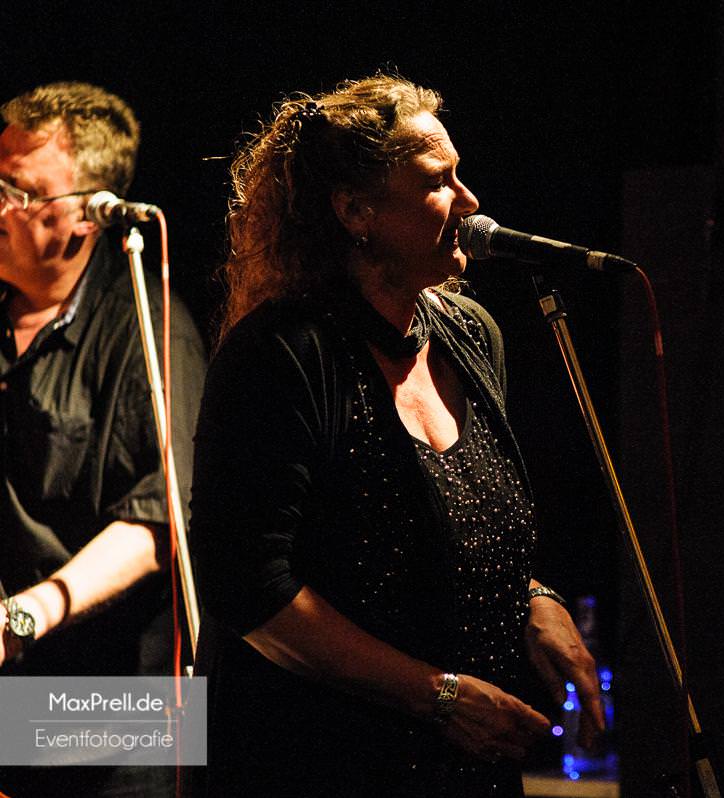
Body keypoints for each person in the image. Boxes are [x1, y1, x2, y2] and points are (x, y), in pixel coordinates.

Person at [188, 73, 604, 797]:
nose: (469, 202)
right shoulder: (282, 354)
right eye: (439, 181)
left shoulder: (470, 335)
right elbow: (247, 585)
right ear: (356, 210)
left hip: (464, 764)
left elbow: (460, 527)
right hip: (317, 761)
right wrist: (438, 696)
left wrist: (535, 597)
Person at [0, 82, 207, 795]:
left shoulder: (151, 327)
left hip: (117, 706)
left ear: (85, 216)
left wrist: (24, 615)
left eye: (19, 191)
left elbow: (164, 515)